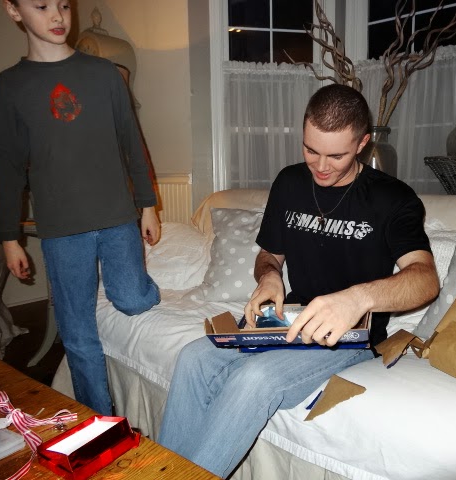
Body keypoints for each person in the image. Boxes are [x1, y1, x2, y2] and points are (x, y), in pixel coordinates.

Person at [159, 84, 439, 478]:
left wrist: (356, 299)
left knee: (254, 378)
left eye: (336, 155)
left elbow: (425, 279)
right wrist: (269, 276)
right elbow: (269, 255)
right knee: (193, 358)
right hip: (286, 321)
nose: (321, 166)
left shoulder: (393, 198)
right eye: (311, 150)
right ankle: (162, 471)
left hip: (347, 338)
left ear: (362, 143)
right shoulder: (289, 183)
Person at [0, 0, 161, 415]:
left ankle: (151, 289)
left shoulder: (105, 74)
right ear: (13, 11)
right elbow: (6, 166)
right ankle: (100, 421)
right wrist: (9, 237)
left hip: (117, 218)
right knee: (78, 334)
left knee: (132, 299)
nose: (57, 16)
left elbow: (132, 143)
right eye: (42, 6)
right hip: (62, 231)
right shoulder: (10, 85)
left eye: (64, 5)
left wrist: (148, 206)